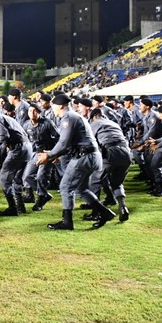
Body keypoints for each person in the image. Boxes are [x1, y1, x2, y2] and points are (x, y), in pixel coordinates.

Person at [35, 94, 116, 230]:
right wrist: (56, 154)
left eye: (54, 105)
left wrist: (49, 156)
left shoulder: (69, 117)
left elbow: (64, 142)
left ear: (60, 105)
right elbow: (69, 143)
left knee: (65, 187)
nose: (52, 108)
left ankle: (67, 221)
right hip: (90, 155)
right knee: (81, 188)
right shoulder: (73, 117)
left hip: (83, 156)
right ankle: (105, 212)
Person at [88, 108, 131, 222]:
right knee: (117, 183)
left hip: (110, 151)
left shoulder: (94, 124)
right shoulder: (113, 123)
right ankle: (123, 207)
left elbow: (91, 143)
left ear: (94, 116)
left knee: (94, 181)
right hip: (126, 152)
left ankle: (96, 212)